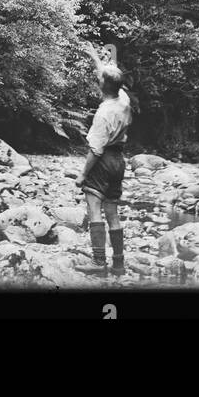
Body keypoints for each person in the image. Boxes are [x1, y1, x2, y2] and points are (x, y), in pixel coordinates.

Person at [76, 56, 131, 276]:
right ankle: (119, 264)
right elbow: (110, 79)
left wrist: (82, 175)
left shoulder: (102, 114)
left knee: (94, 209)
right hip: (119, 161)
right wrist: (96, 59)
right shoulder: (124, 101)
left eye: (100, 78)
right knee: (113, 212)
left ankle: (99, 263)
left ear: (102, 85)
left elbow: (95, 150)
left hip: (103, 161)